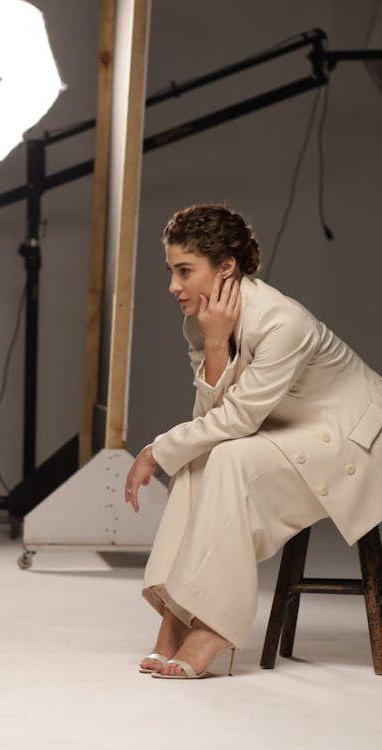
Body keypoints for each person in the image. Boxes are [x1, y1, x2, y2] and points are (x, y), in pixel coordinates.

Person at [125, 204, 382, 679]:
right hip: (287, 430)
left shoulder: (284, 322)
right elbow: (212, 420)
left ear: (225, 268)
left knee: (228, 459)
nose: (173, 286)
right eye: (171, 271)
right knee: (203, 460)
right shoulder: (202, 322)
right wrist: (217, 343)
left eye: (185, 271)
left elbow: (237, 419)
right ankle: (175, 618)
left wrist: (155, 450)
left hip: (353, 439)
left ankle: (215, 625)